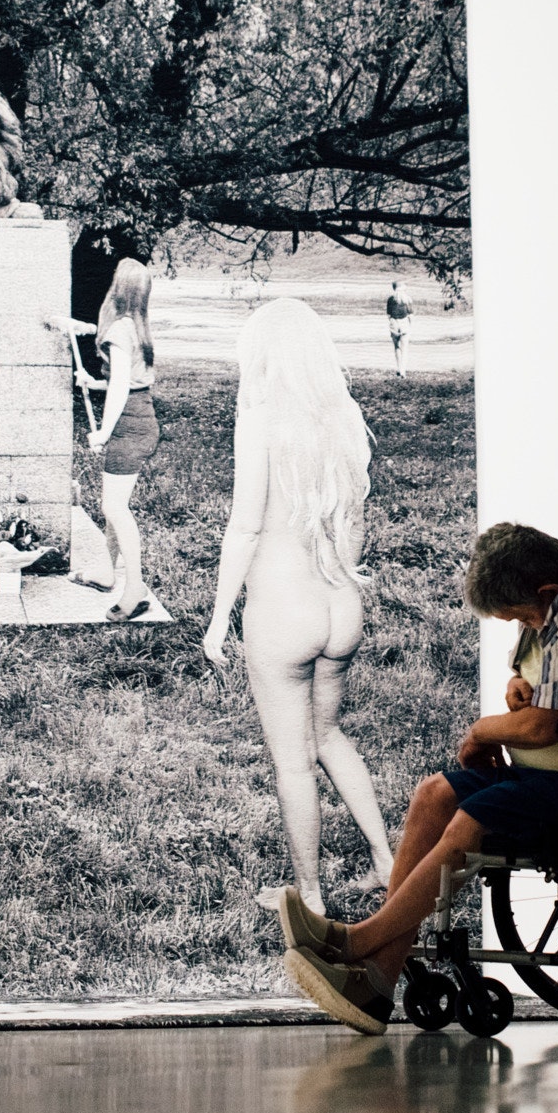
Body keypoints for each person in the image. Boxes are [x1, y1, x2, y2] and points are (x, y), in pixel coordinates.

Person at [273, 524, 558, 1035]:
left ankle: (354, 943)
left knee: (471, 822)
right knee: (434, 794)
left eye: (519, 616)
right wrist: (519, 686)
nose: (520, 625)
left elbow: (538, 726)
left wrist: (482, 730)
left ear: (546, 594)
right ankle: (378, 982)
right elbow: (532, 675)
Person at [204, 296, 397, 911]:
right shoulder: (343, 416)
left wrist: (217, 619)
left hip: (283, 610)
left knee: (294, 762)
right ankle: (386, 860)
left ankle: (308, 896)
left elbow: (246, 527)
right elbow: (356, 522)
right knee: (328, 734)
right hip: (342, 606)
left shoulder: (260, 417)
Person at [48, 257, 168, 622]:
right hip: (142, 417)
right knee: (114, 505)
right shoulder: (137, 327)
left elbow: (120, 388)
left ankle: (135, 589)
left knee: (115, 509)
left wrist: (103, 431)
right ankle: (104, 572)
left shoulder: (118, 330)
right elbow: (130, 380)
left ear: (119, 288)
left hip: (129, 425)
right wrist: (94, 383)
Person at [384, 279, 412, 378]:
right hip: (404, 323)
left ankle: (399, 368)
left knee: (397, 347)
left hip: (394, 323)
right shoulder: (407, 299)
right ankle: (403, 371)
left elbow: (388, 314)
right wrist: (410, 325)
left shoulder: (390, 299)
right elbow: (410, 314)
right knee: (405, 348)